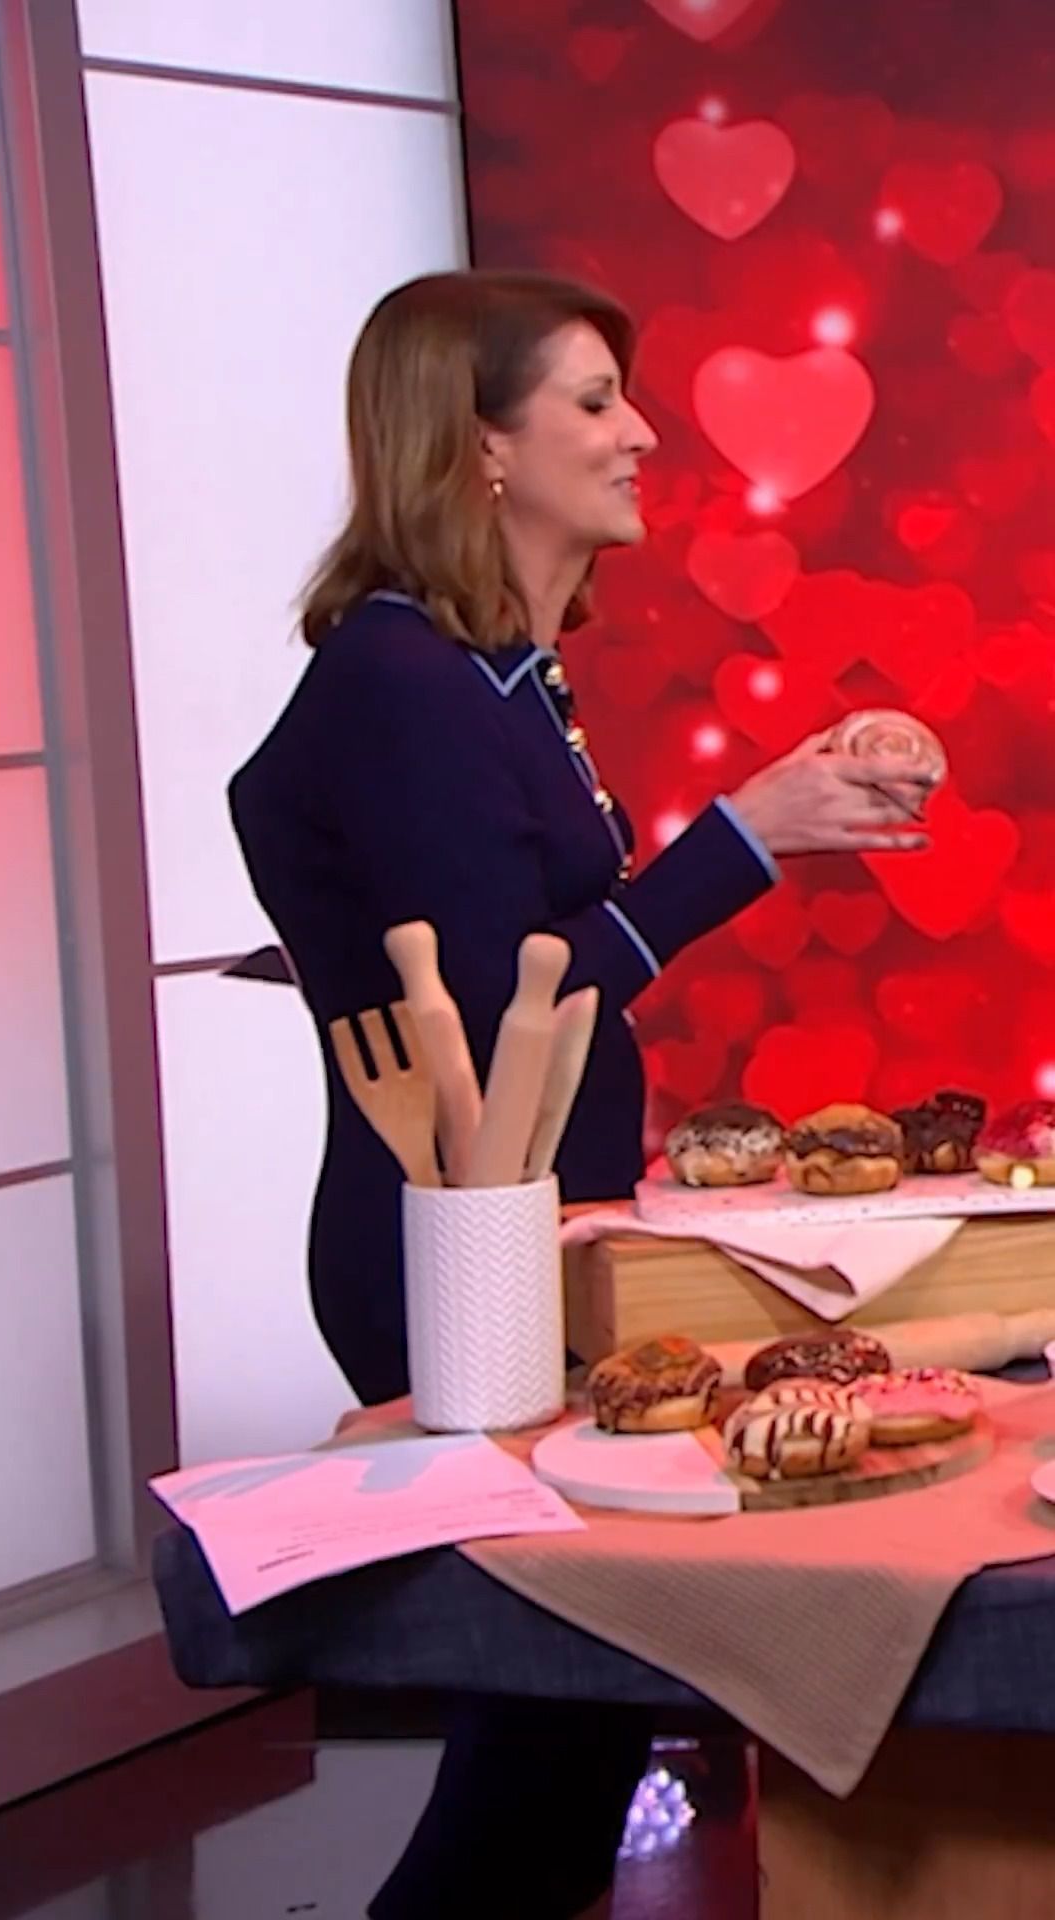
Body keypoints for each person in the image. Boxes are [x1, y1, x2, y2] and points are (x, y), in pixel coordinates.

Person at [229, 269, 931, 1920]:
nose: (644, 435)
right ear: (480, 444)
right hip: (449, 1255)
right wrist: (745, 837)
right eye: (597, 401)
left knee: (569, 1741)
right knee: (545, 1747)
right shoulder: (400, 680)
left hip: (542, 1231)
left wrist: (773, 815)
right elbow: (503, 1001)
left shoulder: (498, 676)